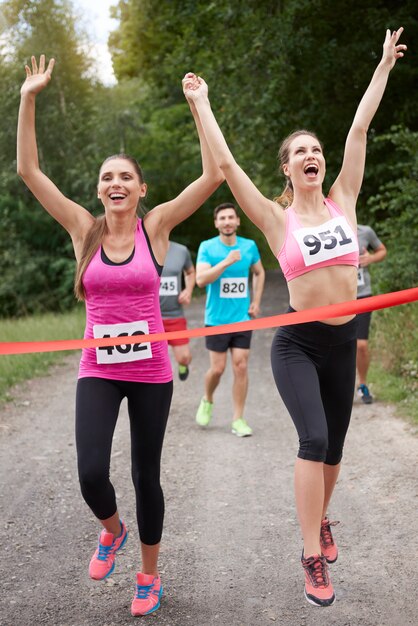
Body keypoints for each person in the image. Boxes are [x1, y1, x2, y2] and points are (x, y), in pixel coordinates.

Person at [183, 29, 406, 606]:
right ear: (286, 169)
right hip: (299, 343)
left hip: (344, 340)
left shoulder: (344, 200)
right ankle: (311, 557)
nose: (312, 155)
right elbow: (227, 165)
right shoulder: (276, 221)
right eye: (299, 152)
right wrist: (201, 104)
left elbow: (359, 128)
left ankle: (321, 519)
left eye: (316, 149)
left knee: (334, 448)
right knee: (312, 439)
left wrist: (381, 66)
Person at [17, 59, 223, 617]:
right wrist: (30, 96)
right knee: (90, 473)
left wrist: (198, 108)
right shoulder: (82, 229)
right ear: (99, 189)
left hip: (152, 369)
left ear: (140, 189)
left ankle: (149, 576)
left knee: (145, 475)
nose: (115, 184)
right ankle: (112, 531)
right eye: (108, 177)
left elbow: (212, 176)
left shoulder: (156, 228)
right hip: (100, 368)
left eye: (125, 177)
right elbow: (30, 171)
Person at [195, 202, 265, 437]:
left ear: (237, 221)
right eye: (222, 218)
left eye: (230, 217)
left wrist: (256, 301)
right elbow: (201, 280)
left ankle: (238, 419)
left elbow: (259, 272)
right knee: (217, 369)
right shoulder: (207, 247)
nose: (226, 221)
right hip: (216, 319)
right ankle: (208, 398)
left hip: (242, 319)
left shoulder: (249, 246)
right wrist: (226, 262)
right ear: (216, 223)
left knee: (241, 365)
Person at [356, 225, 387, 404]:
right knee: (339, 346)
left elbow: (382, 250)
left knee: (361, 345)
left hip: (362, 295)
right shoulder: (326, 230)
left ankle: (363, 384)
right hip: (339, 297)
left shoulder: (365, 231)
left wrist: (371, 258)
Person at [159, 240, 196, 381]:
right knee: (152, 363)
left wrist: (188, 290)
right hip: (149, 317)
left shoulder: (181, 250)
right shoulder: (139, 247)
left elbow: (190, 272)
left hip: (175, 314)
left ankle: (183, 365)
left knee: (184, 357)